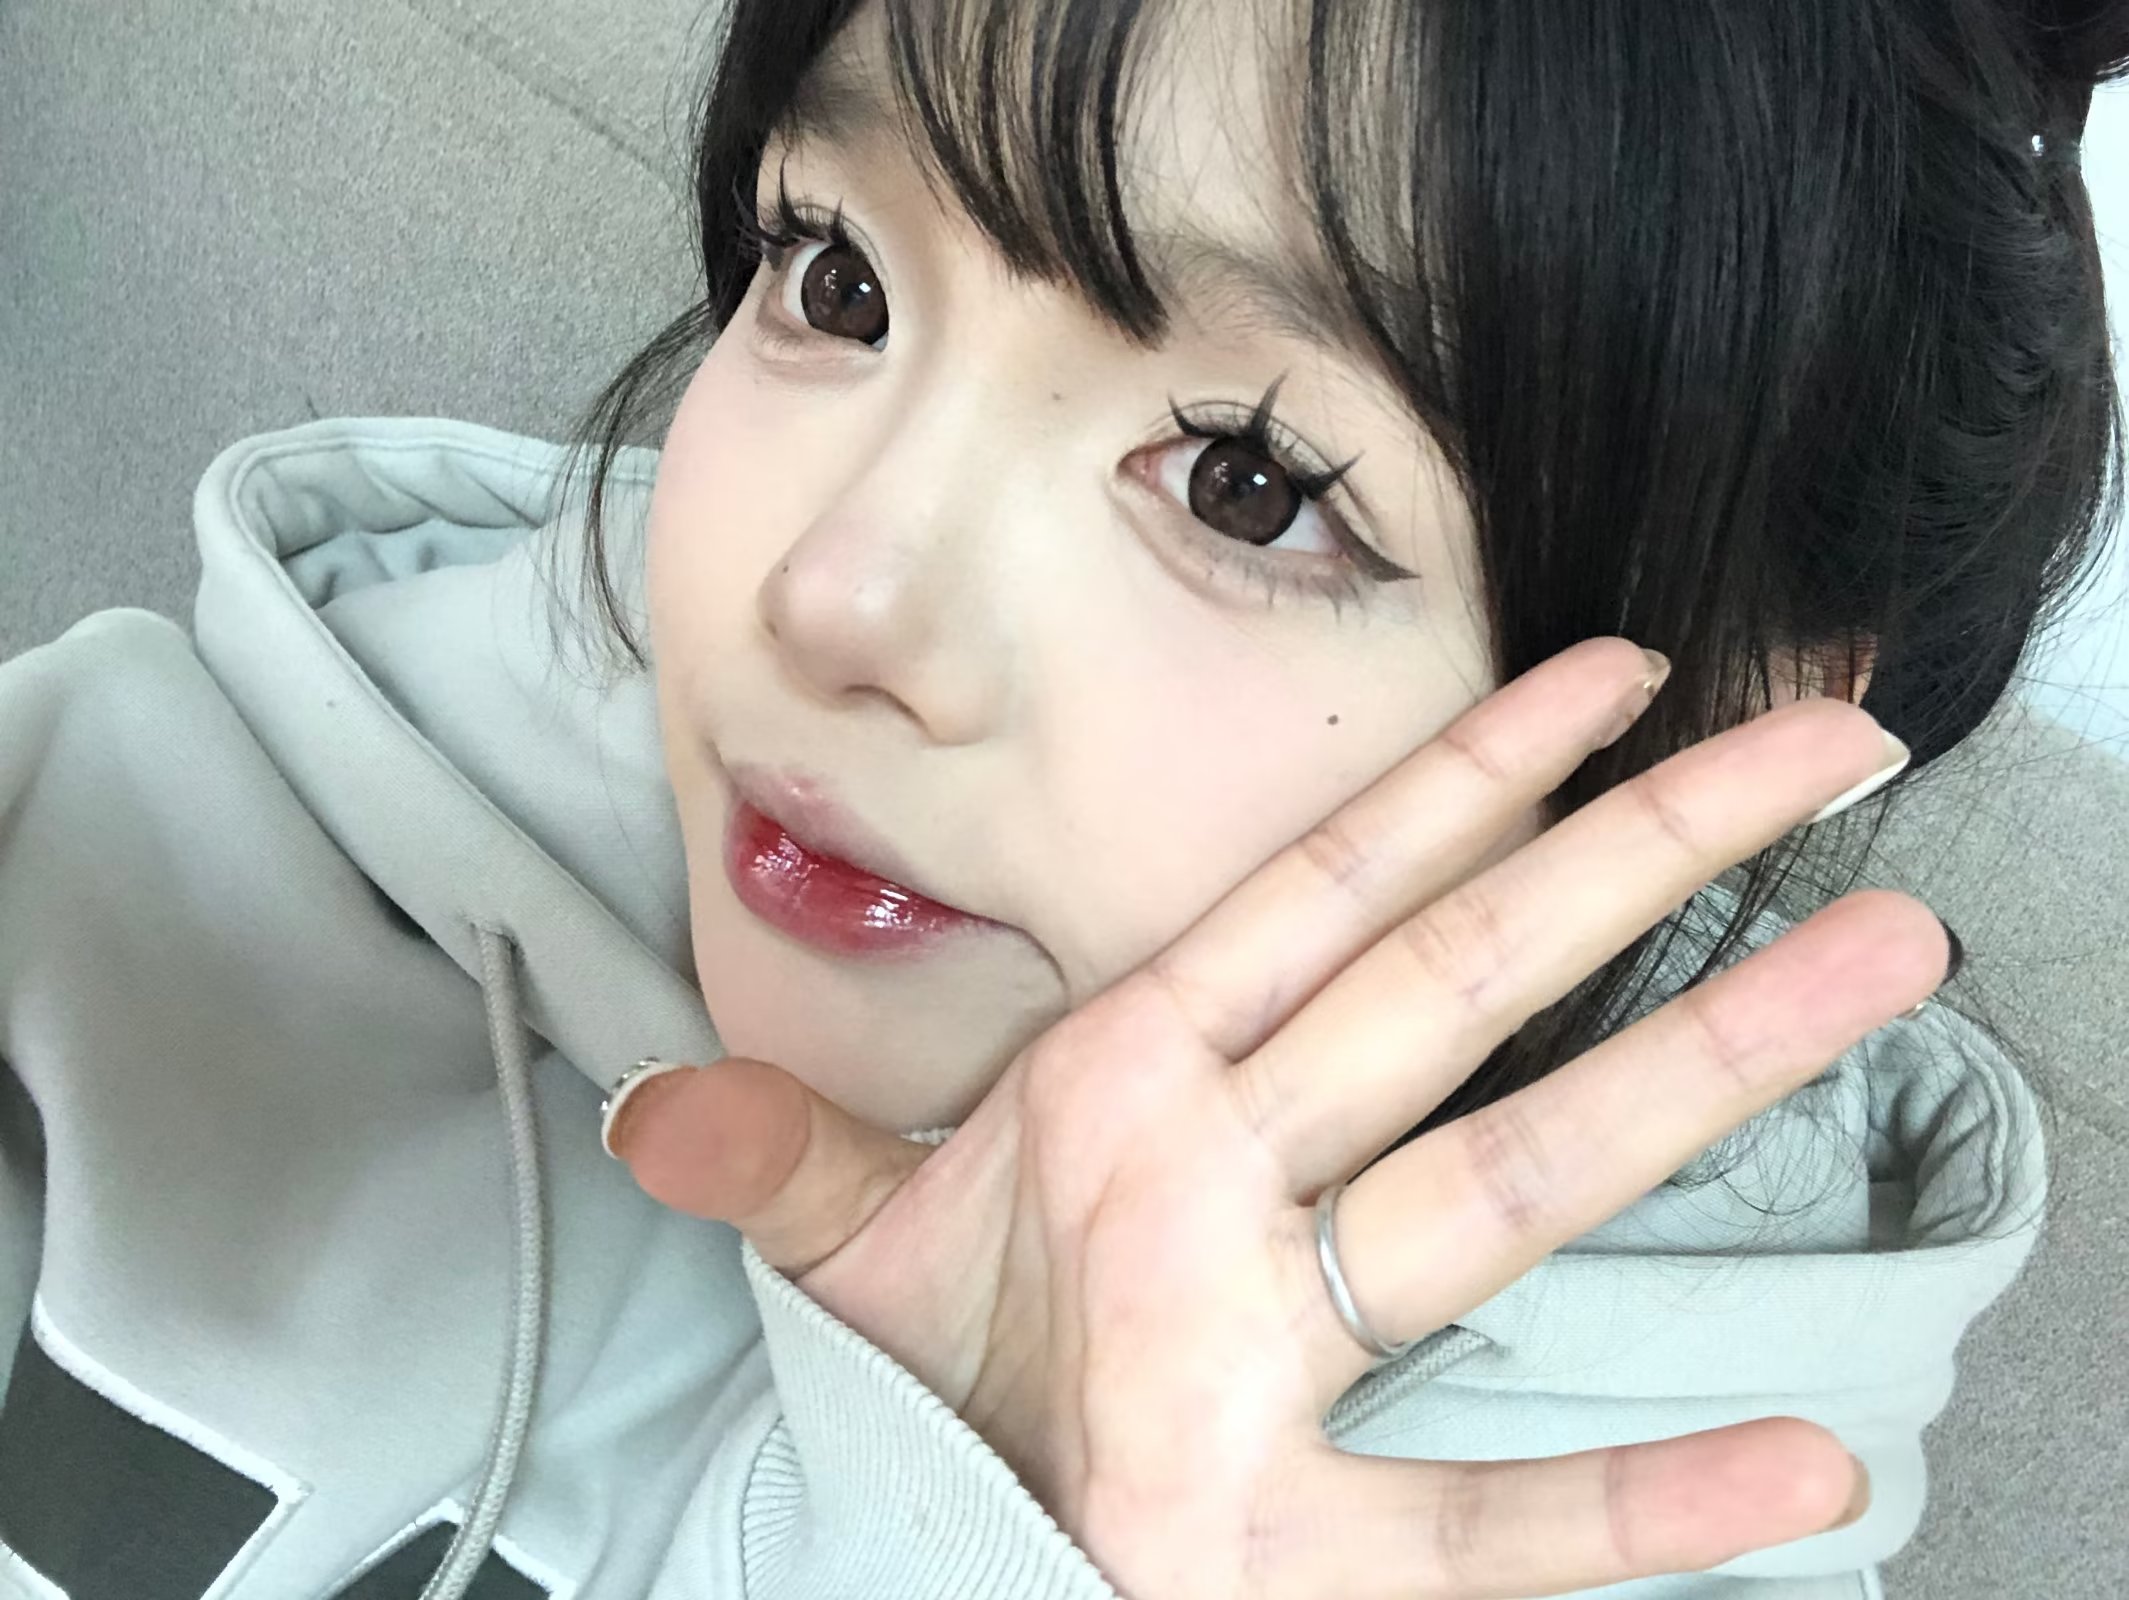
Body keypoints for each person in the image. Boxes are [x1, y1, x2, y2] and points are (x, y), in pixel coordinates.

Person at [0, 0, 2120, 1595]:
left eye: (1245, 481)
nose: (833, 595)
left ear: (1728, 724)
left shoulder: (1652, 1528)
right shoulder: (119, 870)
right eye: (835, 275)